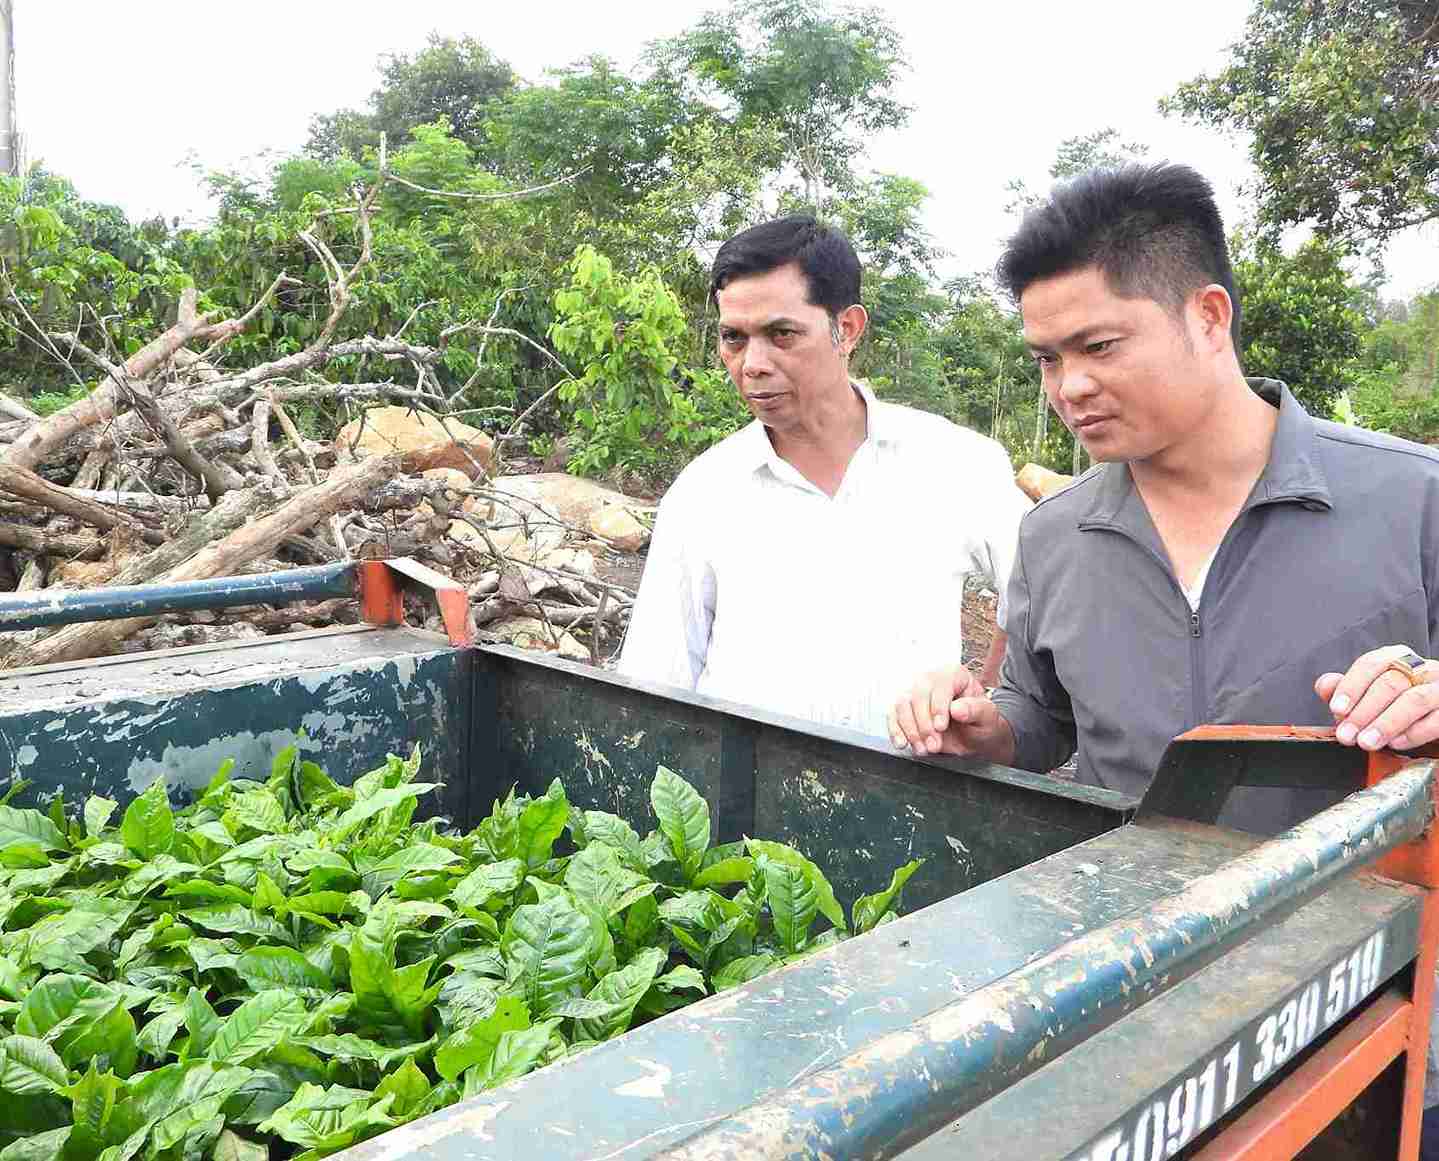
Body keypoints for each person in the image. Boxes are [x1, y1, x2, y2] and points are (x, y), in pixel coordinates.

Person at [885, 161, 1439, 1145]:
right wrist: (978, 724)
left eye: (1098, 345)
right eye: (1045, 360)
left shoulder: (1410, 502)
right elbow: (1037, 715)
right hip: (1139, 1034)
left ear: (1208, 315)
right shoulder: (1055, 534)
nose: (1069, 387)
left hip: (1373, 1014)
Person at [619, 214, 1027, 740]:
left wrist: (988, 706)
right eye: (733, 339)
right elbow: (655, 686)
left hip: (913, 797)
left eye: (781, 334)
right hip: (745, 809)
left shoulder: (954, 464)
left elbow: (1042, 606)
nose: (753, 364)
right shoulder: (703, 494)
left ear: (847, 330)